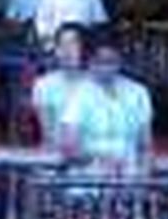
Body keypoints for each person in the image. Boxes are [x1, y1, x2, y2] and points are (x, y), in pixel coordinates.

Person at [58, 31, 153, 173]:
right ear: (89, 61)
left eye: (111, 61)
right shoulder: (79, 93)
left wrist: (144, 174)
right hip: (88, 178)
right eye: (100, 61)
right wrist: (99, 161)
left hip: (129, 175)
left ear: (120, 60)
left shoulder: (138, 92)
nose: (106, 67)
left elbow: (145, 144)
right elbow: (70, 147)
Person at [30, 23, 89, 149]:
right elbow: (49, 133)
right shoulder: (44, 85)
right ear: (56, 51)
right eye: (62, 45)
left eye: (73, 44)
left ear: (84, 48)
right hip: (55, 153)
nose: (67, 50)